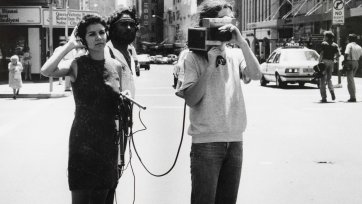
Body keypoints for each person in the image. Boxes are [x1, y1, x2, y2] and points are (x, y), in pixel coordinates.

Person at [176, 1, 262, 203]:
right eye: (220, 21)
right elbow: (191, 98)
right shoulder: (192, 57)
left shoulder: (236, 53)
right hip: (206, 142)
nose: (226, 26)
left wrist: (241, 42)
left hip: (234, 140)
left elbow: (256, 74)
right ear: (207, 24)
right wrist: (211, 65)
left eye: (230, 20)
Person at [41, 14, 123, 204]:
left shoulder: (116, 66)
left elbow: (119, 106)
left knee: (105, 196)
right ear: (83, 39)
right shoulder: (78, 64)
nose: (99, 37)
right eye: (92, 34)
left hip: (108, 142)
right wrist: (69, 46)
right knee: (82, 197)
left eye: (102, 32)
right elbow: (46, 71)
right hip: (83, 142)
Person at [106, 7, 139, 98]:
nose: (129, 28)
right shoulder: (106, 52)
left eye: (132, 24)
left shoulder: (130, 54)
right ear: (112, 28)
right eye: (123, 24)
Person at [318, 31, 340, 103]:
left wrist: (319, 62)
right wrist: (335, 59)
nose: (324, 37)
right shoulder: (335, 45)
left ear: (327, 37)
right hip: (331, 62)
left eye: (324, 36)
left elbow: (321, 53)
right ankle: (332, 91)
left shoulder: (324, 43)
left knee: (322, 80)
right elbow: (338, 54)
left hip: (324, 62)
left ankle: (324, 98)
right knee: (329, 79)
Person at [344, 33, 362, 102]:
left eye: (348, 38)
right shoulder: (359, 47)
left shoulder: (349, 45)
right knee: (352, 80)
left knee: (350, 81)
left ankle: (353, 97)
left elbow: (346, 53)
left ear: (350, 39)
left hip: (350, 62)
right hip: (356, 63)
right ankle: (353, 95)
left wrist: (344, 61)